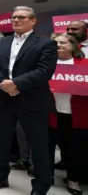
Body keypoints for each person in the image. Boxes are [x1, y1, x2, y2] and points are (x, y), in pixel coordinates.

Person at [0, 6, 57, 195]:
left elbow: (44, 71)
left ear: (33, 21)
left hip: (32, 100)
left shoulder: (45, 43)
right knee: (1, 141)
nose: (16, 20)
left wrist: (15, 84)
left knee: (38, 144)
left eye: (22, 17)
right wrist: (4, 84)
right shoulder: (2, 43)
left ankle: (41, 185)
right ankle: (1, 175)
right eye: (14, 17)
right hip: (3, 98)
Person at [48, 33, 87, 195]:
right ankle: (46, 176)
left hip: (76, 115)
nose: (59, 46)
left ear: (73, 45)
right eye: (56, 43)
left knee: (74, 150)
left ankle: (73, 180)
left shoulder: (84, 64)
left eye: (63, 43)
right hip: (51, 113)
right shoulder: (46, 64)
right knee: (46, 147)